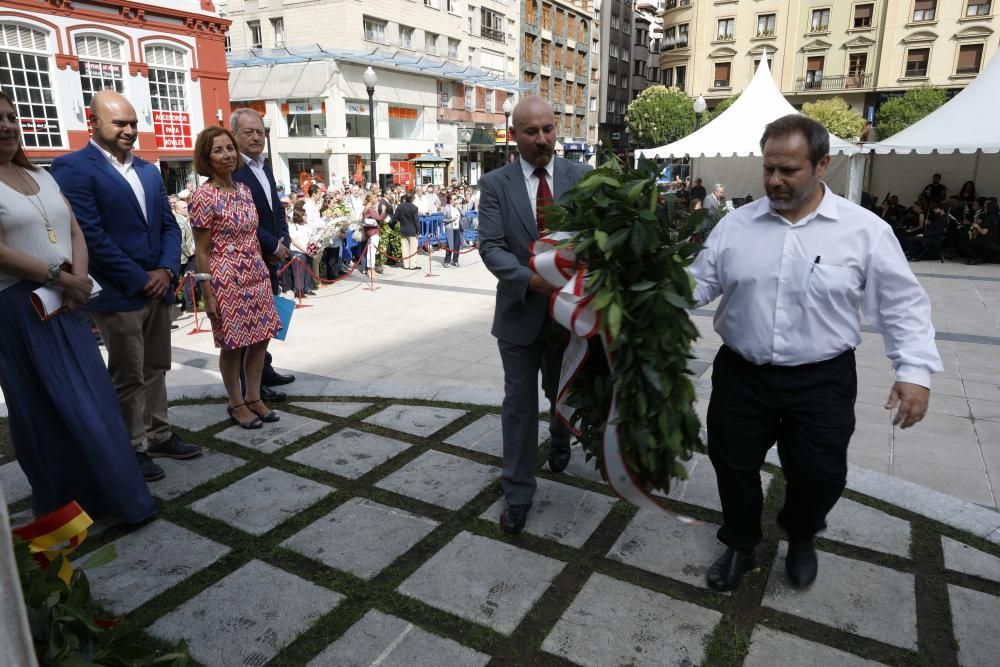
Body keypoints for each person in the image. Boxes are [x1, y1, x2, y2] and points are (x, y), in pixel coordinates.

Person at [688, 114, 941, 592]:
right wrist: (641, 287)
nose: (774, 181)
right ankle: (741, 542)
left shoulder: (864, 232)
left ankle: (801, 534)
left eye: (789, 171)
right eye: (769, 169)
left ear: (822, 164)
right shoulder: (735, 226)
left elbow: (902, 304)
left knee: (820, 473)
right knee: (733, 463)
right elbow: (699, 282)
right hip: (743, 374)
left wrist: (914, 371)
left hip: (821, 379)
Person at [0, 91, 155, 522]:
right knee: (44, 410)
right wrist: (58, 277)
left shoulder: (42, 175)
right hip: (19, 309)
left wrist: (78, 279)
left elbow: (74, 229)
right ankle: (63, 504)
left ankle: (113, 498)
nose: (7, 126)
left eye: (11, 117)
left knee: (93, 401)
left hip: (65, 302)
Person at [52, 90, 202, 482]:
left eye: (133, 123)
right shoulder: (72, 169)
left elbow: (170, 226)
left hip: (158, 285)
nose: (129, 130)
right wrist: (141, 278)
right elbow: (91, 237)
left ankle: (159, 432)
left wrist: (168, 271)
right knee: (127, 374)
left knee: (156, 366)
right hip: (120, 294)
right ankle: (132, 446)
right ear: (94, 121)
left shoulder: (150, 171)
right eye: (120, 123)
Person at [478, 96, 590, 534]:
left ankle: (560, 438)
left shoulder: (581, 178)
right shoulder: (495, 184)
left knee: (561, 389)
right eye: (531, 132)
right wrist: (530, 280)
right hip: (520, 313)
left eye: (547, 129)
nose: (542, 139)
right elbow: (490, 247)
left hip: (569, 316)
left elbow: (595, 238)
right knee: (519, 407)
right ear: (515, 135)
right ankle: (518, 492)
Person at [189, 126, 283, 429]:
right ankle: (236, 402)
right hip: (224, 278)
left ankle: (254, 397)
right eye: (218, 150)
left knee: (259, 340)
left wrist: (264, 273)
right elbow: (201, 250)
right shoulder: (203, 196)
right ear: (206, 156)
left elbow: (252, 236)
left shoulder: (243, 190)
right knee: (233, 345)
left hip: (255, 273)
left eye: (229, 148)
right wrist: (208, 292)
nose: (227, 155)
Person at [230, 108, 295, 400]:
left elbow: (275, 209)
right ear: (234, 134)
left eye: (260, 132)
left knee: (267, 321)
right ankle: (249, 387)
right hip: (247, 262)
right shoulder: (232, 169)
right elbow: (245, 219)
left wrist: (284, 240)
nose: (256, 137)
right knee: (249, 326)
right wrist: (272, 245)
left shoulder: (264, 165)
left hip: (270, 258)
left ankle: (264, 369)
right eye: (249, 132)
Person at [359, 192, 385, 276]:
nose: (376, 199)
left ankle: (371, 269)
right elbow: (379, 218)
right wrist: (383, 211)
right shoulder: (370, 209)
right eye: (375, 198)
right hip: (373, 232)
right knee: (372, 251)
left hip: (369, 231)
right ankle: (370, 270)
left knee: (371, 251)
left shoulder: (365, 208)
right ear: (371, 199)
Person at [395, 192, 421, 270]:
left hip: (403, 229)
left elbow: (395, 218)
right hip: (412, 230)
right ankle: (412, 265)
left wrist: (391, 225)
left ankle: (406, 264)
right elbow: (416, 221)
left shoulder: (400, 207)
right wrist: (418, 230)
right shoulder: (414, 208)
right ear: (412, 199)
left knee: (404, 248)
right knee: (413, 248)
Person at [442, 193, 463, 268]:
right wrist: (451, 220)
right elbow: (443, 220)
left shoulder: (457, 207)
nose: (456, 201)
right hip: (450, 228)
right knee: (450, 245)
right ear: (450, 200)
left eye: (456, 199)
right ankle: (447, 261)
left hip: (457, 228)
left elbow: (463, 214)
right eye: (454, 199)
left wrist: (459, 207)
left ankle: (455, 260)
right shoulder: (446, 208)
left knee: (457, 245)